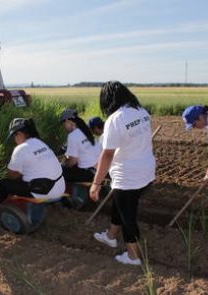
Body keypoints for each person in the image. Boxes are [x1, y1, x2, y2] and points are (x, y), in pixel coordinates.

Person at [89, 81, 155, 266]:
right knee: (120, 205)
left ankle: (133, 257)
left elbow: (107, 153)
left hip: (128, 175)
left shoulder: (115, 119)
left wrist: (96, 183)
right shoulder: (141, 112)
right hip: (146, 170)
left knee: (128, 216)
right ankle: (111, 236)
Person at [0, 118, 65, 210]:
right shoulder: (40, 143)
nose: (14, 140)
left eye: (14, 136)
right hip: (60, 187)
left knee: (2, 184)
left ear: (19, 134)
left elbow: (11, 175)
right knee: (22, 177)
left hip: (46, 191)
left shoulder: (21, 149)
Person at [60, 109, 101, 183]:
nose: (64, 128)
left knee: (60, 171)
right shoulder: (86, 130)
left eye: (63, 125)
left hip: (89, 172)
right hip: (98, 167)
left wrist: (64, 165)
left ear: (67, 121)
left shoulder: (72, 135)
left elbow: (73, 161)